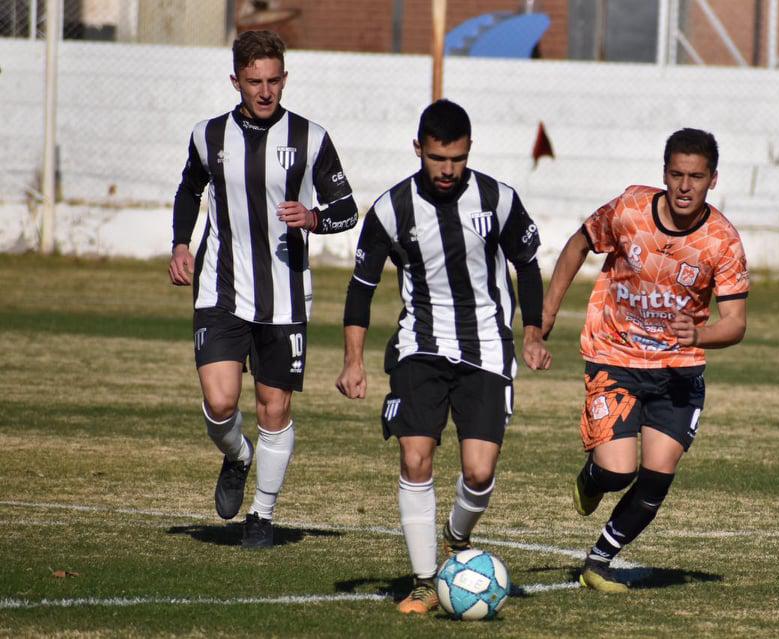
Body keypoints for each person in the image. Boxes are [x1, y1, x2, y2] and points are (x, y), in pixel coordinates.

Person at [335, 99, 552, 614]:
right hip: (421, 347)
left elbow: (528, 265)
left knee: (478, 473)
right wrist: (353, 360)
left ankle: (457, 536)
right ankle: (425, 580)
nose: (448, 169)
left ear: (469, 150)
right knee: (415, 457)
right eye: (437, 158)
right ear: (419, 150)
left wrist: (535, 333)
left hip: (487, 349)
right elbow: (361, 288)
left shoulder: (498, 199)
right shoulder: (391, 210)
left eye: (456, 158)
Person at [167, 30, 358, 549]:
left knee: (275, 410)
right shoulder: (208, 136)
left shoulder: (310, 138)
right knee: (220, 401)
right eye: (254, 81)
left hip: (286, 295)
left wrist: (314, 217)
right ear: (236, 81)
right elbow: (189, 188)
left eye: (274, 80)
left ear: (284, 78)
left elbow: (347, 210)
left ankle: (262, 516)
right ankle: (237, 456)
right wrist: (181, 243)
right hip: (220, 288)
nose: (266, 91)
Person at [541, 128, 749, 592]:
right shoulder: (631, 208)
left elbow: (735, 322)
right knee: (618, 471)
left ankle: (598, 563)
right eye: (676, 174)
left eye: (696, 176)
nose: (684, 186)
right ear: (664, 173)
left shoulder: (722, 241)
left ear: (712, 179)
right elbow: (578, 243)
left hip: (677, 372)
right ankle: (594, 476)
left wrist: (700, 333)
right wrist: (549, 309)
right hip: (614, 354)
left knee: (657, 474)